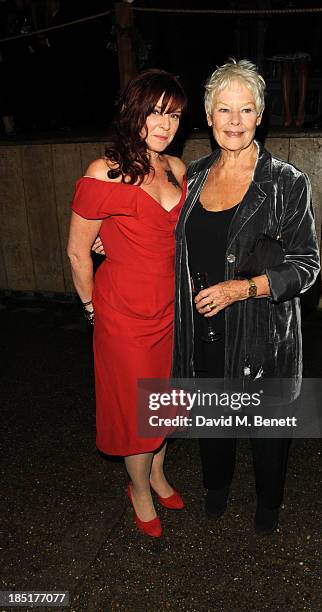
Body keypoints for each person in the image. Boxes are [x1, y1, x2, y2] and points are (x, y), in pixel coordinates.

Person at [172, 59, 320, 535]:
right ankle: (216, 486)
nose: (234, 121)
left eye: (246, 110)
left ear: (261, 116)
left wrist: (244, 289)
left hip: (262, 332)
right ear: (208, 115)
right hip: (203, 326)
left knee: (266, 430)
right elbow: (162, 238)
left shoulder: (286, 181)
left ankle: (269, 501)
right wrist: (107, 239)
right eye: (223, 110)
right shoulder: (190, 178)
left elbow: (306, 266)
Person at [67, 69, 187, 538]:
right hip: (123, 315)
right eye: (155, 112)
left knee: (163, 402)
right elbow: (79, 250)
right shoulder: (104, 171)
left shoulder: (177, 167)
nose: (164, 123)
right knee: (138, 413)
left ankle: (157, 475)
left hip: (172, 311)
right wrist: (91, 309)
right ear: (133, 112)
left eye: (173, 115)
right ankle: (138, 489)